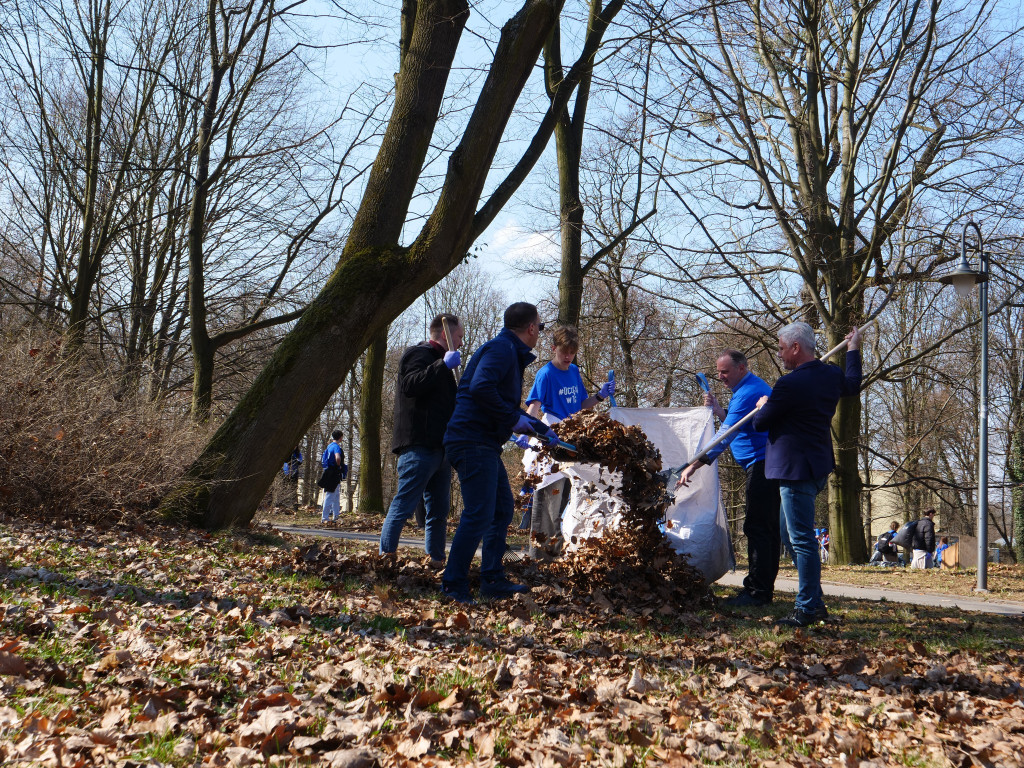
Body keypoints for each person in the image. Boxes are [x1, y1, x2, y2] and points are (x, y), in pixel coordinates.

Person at [441, 302, 554, 604]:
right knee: (479, 513)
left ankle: (492, 578)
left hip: (483, 443)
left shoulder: (507, 351)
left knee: (502, 509)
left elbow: (500, 401)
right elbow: (480, 388)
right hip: (470, 439)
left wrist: (537, 426)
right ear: (531, 328)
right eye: (540, 328)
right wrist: (514, 421)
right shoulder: (502, 350)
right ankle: (453, 585)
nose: (539, 334)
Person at [752, 321, 862, 628]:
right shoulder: (831, 375)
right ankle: (815, 600)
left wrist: (764, 405)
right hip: (816, 467)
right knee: (790, 535)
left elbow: (761, 424)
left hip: (795, 469)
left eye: (782, 347)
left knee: (800, 541)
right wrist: (853, 349)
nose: (780, 353)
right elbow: (853, 384)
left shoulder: (789, 385)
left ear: (796, 348)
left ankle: (807, 608)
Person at [676, 349, 777, 607]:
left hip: (763, 464)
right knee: (763, 527)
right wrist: (721, 409)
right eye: (718, 371)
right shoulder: (745, 390)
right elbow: (739, 424)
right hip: (762, 464)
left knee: (758, 528)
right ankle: (761, 590)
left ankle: (757, 593)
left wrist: (694, 465)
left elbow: (725, 436)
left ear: (742, 368)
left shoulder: (747, 392)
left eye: (725, 371)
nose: (720, 376)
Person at [520, 325, 614, 558]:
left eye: (572, 352)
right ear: (554, 348)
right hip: (551, 438)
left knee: (568, 503)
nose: (567, 356)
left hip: (572, 439)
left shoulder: (574, 371)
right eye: (564, 351)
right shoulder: (546, 374)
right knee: (548, 502)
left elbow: (580, 405)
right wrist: (525, 430)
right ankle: (538, 559)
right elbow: (535, 406)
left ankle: (557, 556)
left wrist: (600, 395)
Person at [378, 313, 463, 568]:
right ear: (443, 334)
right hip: (419, 445)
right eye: (458, 337)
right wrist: (441, 366)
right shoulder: (419, 354)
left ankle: (436, 560)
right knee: (404, 503)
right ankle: (386, 558)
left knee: (438, 511)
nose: (460, 342)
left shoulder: (446, 364)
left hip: (441, 448)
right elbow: (410, 385)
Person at [319, 430, 347, 524]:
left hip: (329, 471)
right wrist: (339, 466)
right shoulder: (336, 447)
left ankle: (336, 516)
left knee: (336, 495)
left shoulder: (329, 446)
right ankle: (325, 517)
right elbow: (338, 457)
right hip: (334, 472)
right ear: (340, 437)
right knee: (330, 495)